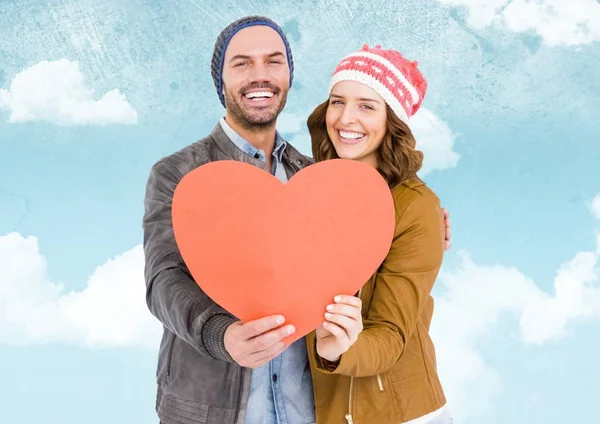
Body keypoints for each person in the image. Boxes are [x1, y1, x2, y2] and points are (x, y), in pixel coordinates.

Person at [142, 16, 451, 424]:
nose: (259, 76)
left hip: (307, 408)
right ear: (221, 80)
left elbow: (370, 222)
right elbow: (163, 279)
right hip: (210, 411)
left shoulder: (313, 177)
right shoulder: (178, 173)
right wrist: (222, 334)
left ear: (289, 75)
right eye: (241, 63)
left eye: (273, 62)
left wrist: (423, 220)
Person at [305, 45, 452, 424]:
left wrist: (338, 350)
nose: (345, 118)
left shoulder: (415, 207)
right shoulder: (312, 193)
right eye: (338, 101)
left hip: (399, 413)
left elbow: (390, 335)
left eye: (367, 106)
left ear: (393, 121)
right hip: (323, 411)